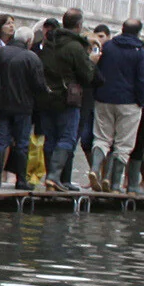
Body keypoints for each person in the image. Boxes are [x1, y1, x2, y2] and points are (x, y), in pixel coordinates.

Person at [0, 13, 42, 188]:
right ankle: (21, 180)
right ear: (29, 41)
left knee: (1, 139)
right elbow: (39, 85)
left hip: (1, 104)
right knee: (22, 142)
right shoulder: (32, 58)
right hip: (23, 107)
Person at [92, 18, 144, 191]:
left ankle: (95, 169)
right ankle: (114, 183)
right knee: (123, 145)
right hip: (129, 102)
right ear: (138, 32)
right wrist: (141, 101)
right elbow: (143, 80)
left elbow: (97, 69)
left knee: (101, 138)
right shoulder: (140, 52)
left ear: (122, 29)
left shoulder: (107, 47)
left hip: (104, 98)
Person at [39, 11, 93, 190]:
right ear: (78, 25)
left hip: (47, 96)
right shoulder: (75, 47)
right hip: (68, 97)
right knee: (67, 137)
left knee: (51, 138)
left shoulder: (49, 44)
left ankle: (52, 178)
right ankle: (54, 177)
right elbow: (87, 74)